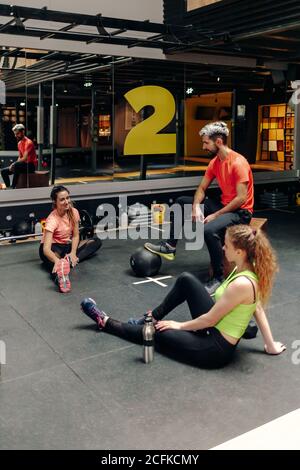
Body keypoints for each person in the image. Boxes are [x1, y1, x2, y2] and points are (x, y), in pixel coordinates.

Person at [81, 225, 286, 369]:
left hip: (214, 348)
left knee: (157, 332)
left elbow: (210, 319)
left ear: (240, 252)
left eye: (227, 246)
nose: (223, 248)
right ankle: (150, 316)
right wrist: (269, 344)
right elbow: (257, 309)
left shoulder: (242, 283)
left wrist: (177, 325)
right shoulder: (242, 269)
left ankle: (105, 322)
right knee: (187, 279)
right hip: (214, 327)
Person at [144, 121, 254, 294]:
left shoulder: (238, 163)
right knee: (181, 202)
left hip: (240, 212)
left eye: (206, 143)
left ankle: (218, 277)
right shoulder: (215, 163)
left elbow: (241, 198)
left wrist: (216, 215)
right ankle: (170, 246)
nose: (203, 146)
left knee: (209, 230)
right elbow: (202, 188)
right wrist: (195, 206)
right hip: (224, 205)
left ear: (218, 142)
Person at [39, 185, 102, 293]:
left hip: (67, 246)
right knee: (55, 264)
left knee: (96, 242)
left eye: (67, 198)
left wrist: (73, 252)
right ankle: (61, 277)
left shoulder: (74, 212)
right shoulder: (52, 219)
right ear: (55, 202)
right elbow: (46, 249)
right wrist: (57, 260)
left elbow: (76, 235)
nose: (66, 201)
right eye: (62, 199)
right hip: (53, 248)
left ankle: (68, 260)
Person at [1, 124, 37, 189]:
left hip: (30, 166)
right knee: (3, 171)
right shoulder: (19, 143)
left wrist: (14, 164)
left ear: (23, 132)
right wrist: (13, 165)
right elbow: (20, 157)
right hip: (22, 165)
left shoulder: (29, 143)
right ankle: (8, 187)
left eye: (17, 133)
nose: (15, 136)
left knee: (17, 166)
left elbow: (24, 158)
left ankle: (13, 186)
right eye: (15, 134)